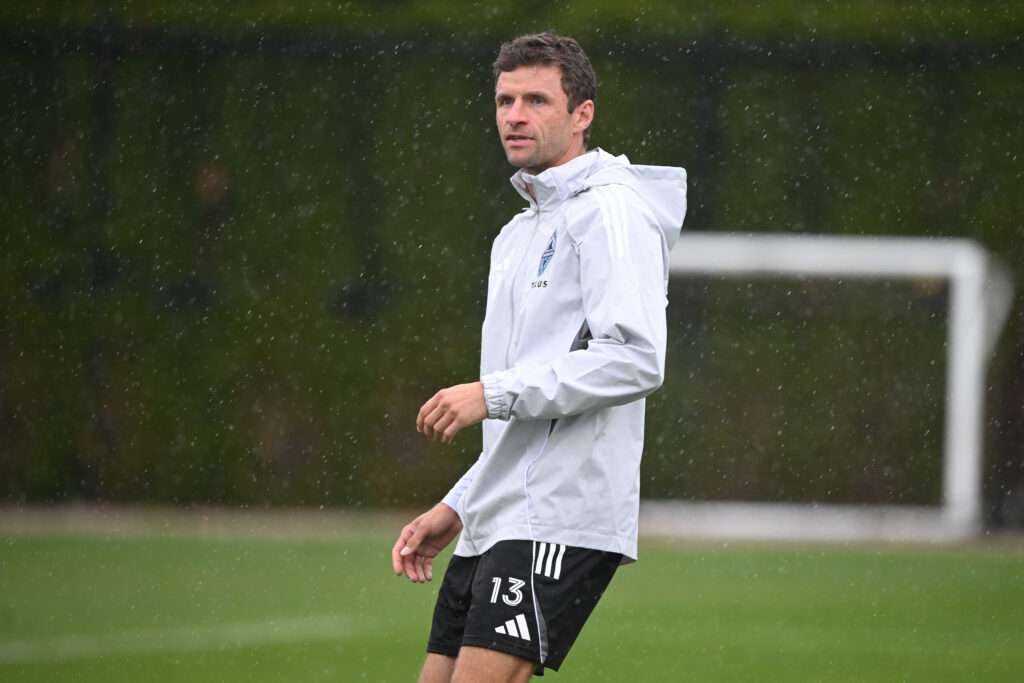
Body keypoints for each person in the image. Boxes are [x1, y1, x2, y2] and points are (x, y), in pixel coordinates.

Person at [392, 32, 687, 682]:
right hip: (500, 512)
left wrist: (490, 392)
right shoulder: (517, 233)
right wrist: (462, 502)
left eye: (536, 99)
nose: (515, 115)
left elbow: (637, 357)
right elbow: (529, 417)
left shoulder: (610, 211)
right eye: (504, 99)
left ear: (582, 114)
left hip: (560, 513)